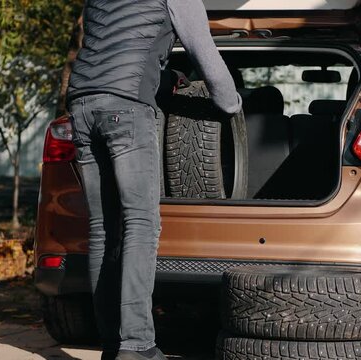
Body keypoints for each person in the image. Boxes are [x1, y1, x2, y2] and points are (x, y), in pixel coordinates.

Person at [65, 0, 242, 359]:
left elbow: (116, 51)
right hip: (127, 110)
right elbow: (206, 57)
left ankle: (113, 345)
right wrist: (232, 104)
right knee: (141, 224)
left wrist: (164, 81)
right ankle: (137, 346)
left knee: (103, 228)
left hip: (81, 104)